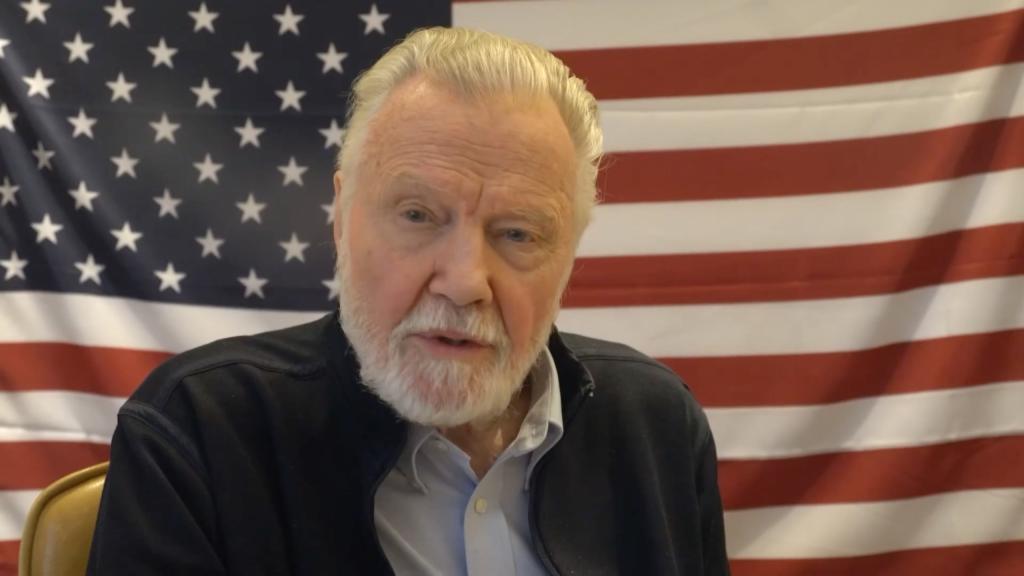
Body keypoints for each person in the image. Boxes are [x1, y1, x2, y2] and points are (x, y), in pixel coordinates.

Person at [87, 27, 730, 575]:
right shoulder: (196, 431)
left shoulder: (658, 426)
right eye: (419, 215)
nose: (464, 281)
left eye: (517, 234)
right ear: (341, 215)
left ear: (570, 253)